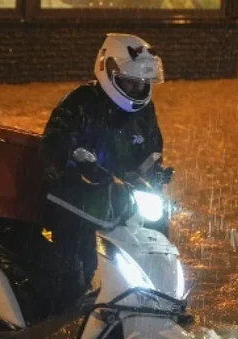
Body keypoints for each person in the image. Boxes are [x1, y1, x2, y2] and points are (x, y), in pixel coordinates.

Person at [39, 33, 171, 301]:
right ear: (108, 70)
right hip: (76, 197)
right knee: (78, 264)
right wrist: (78, 165)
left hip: (120, 197)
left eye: (142, 84)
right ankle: (66, 305)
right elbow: (54, 144)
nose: (137, 90)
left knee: (158, 225)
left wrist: (156, 176)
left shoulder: (144, 112)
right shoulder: (81, 102)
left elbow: (152, 152)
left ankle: (159, 294)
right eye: (130, 83)